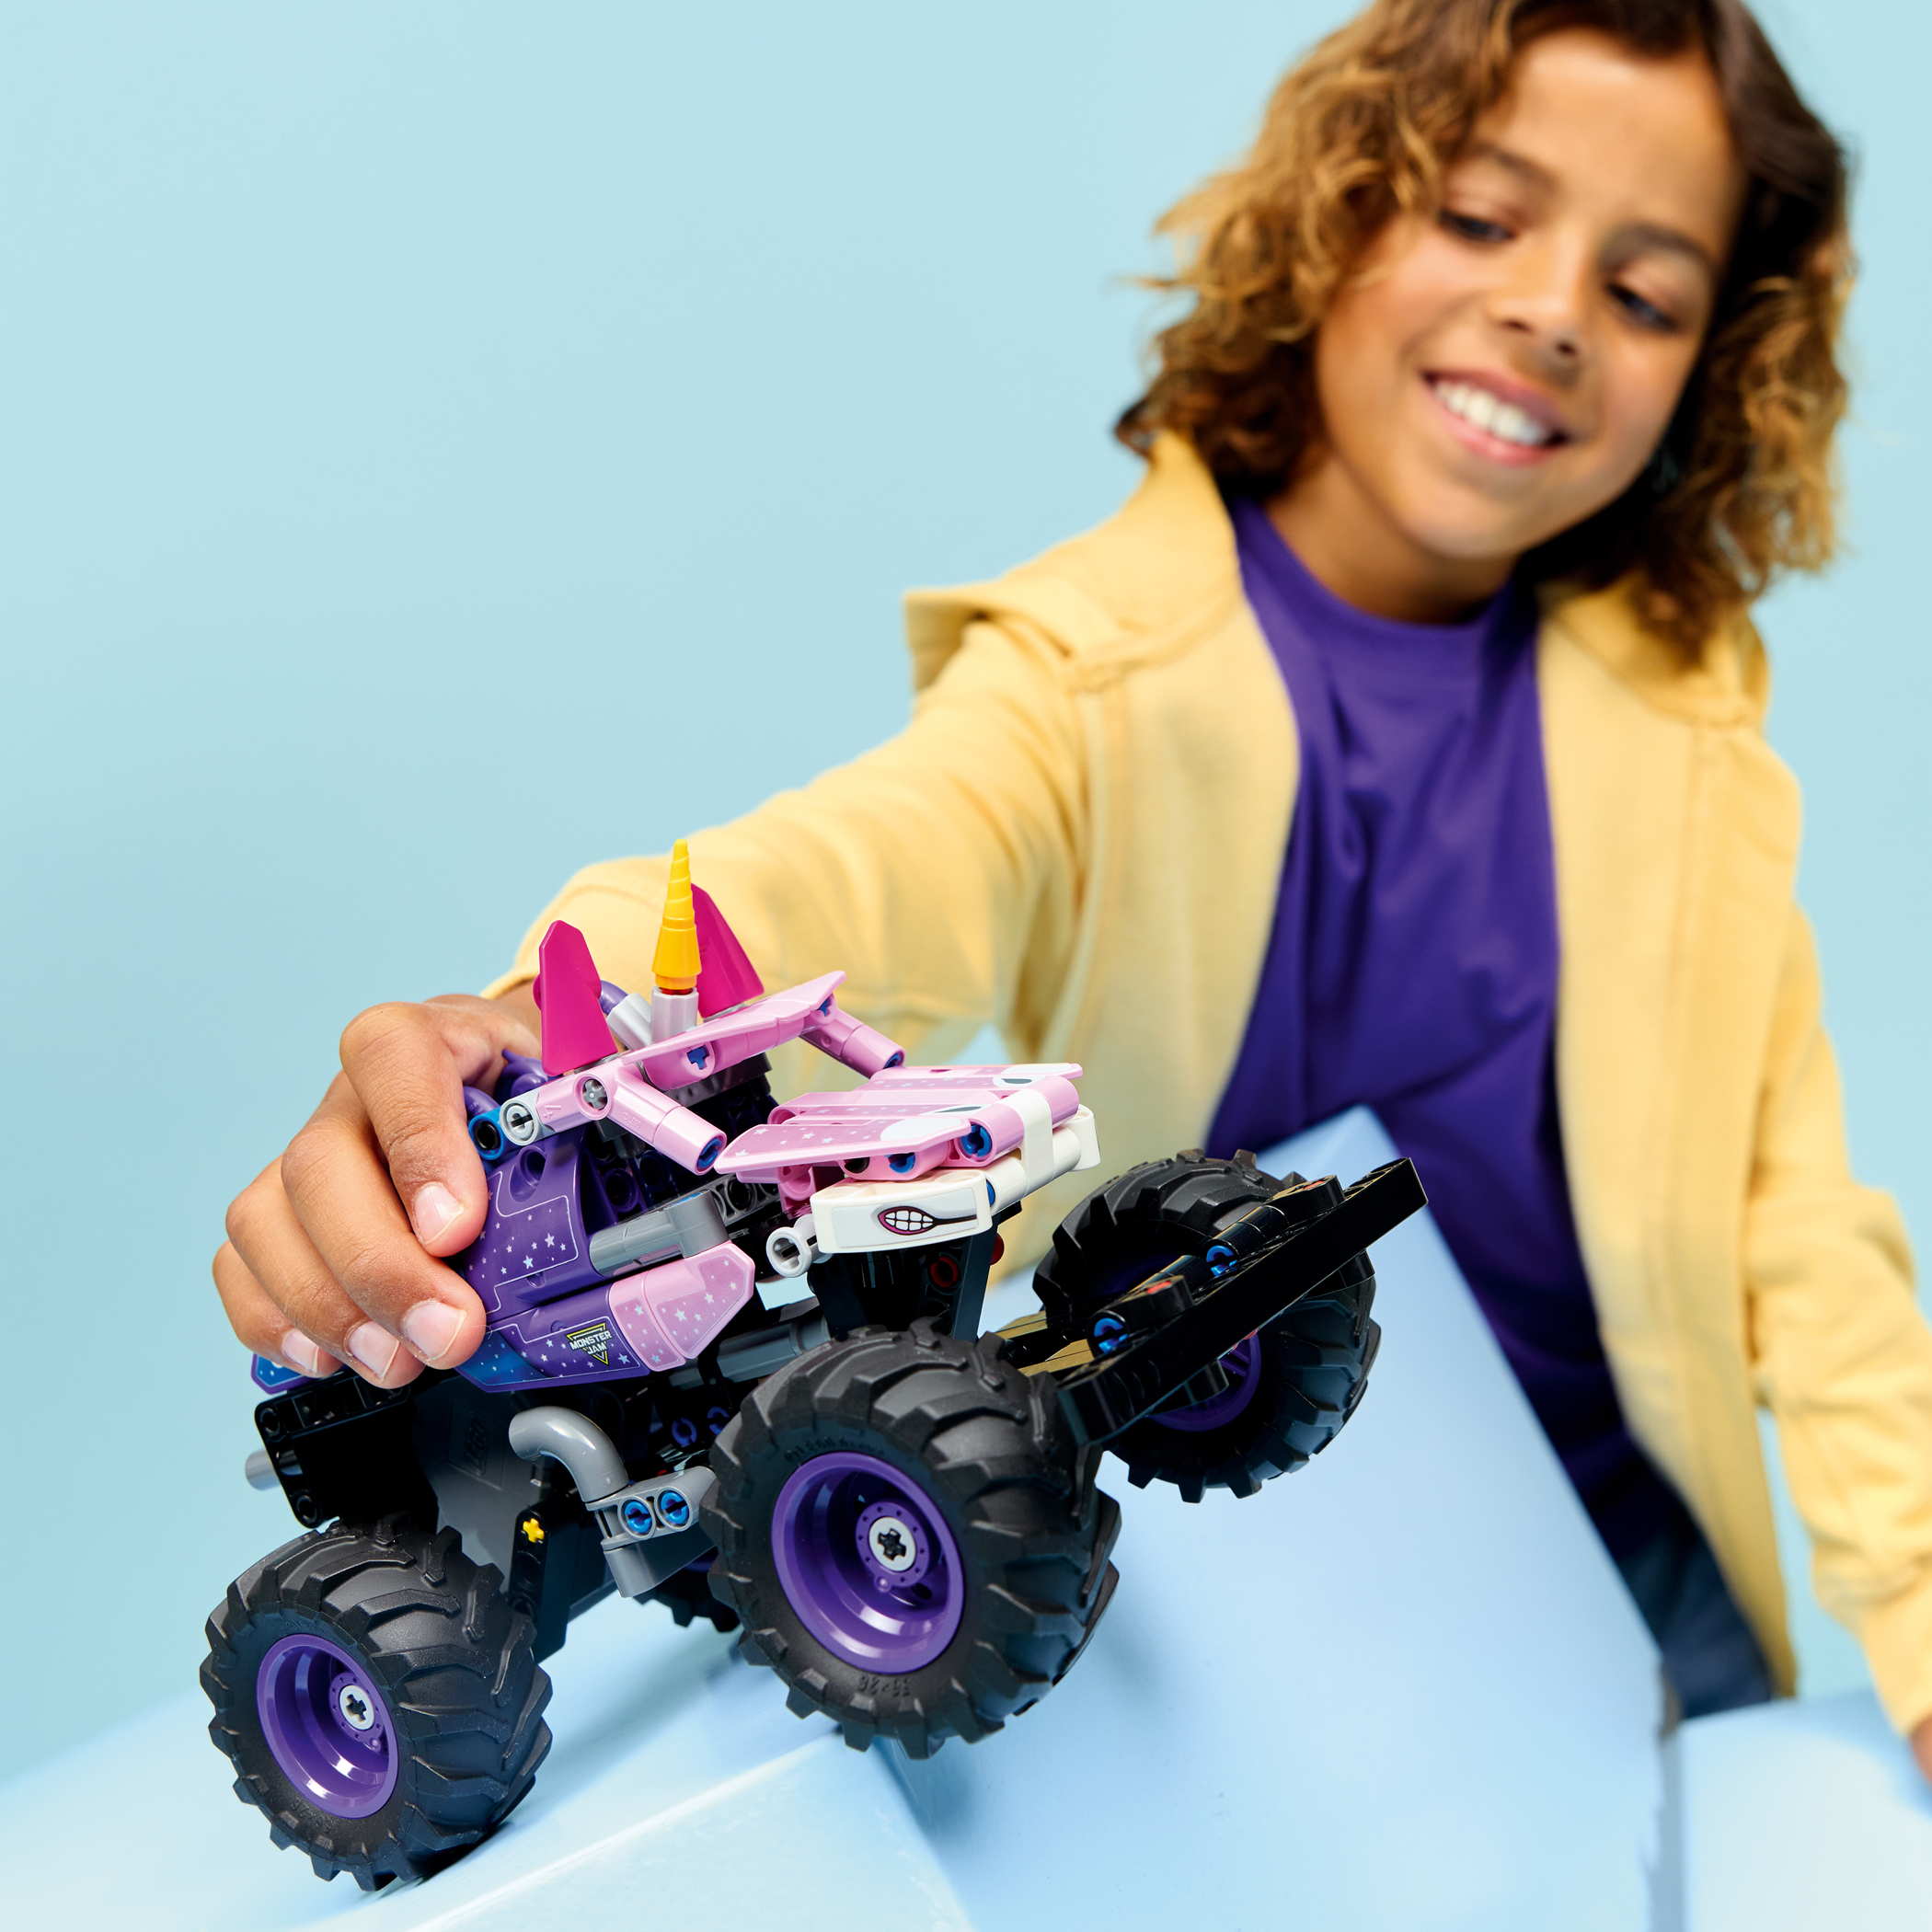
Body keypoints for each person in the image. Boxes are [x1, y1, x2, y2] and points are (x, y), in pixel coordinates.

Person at [213, 0, 1932, 1770]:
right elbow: (863, 862)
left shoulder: (1683, 737)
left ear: (1717, 371)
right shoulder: (1094, 681)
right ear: (1335, 217)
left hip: (1634, 1547)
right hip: (1256, 1575)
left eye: (1644, 295)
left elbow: (1795, 1223)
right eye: (1483, 217)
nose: (1555, 311)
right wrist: (523, 1018)